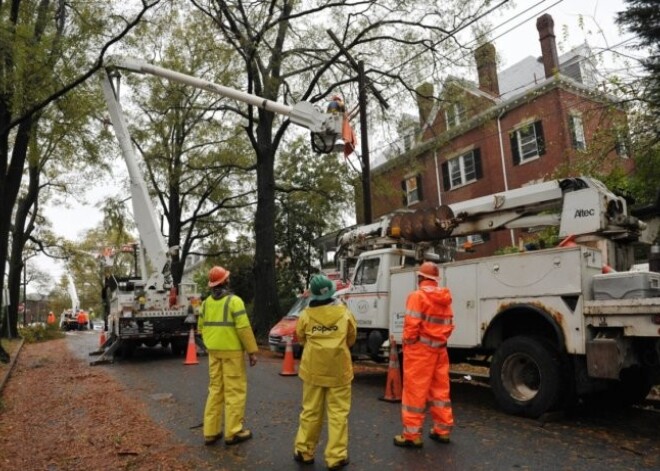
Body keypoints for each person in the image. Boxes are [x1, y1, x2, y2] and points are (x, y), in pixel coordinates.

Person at [293, 274, 357, 471]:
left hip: (313, 369)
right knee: (338, 414)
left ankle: (304, 451)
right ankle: (336, 457)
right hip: (339, 369)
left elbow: (300, 337)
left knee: (310, 411)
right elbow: (351, 338)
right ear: (331, 291)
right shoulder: (344, 313)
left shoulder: (305, 315)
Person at [394, 261, 455, 448]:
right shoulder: (445, 298)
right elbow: (449, 324)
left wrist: (409, 343)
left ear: (420, 277)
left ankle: (412, 436)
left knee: (415, 391)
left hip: (420, 351)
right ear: (435, 280)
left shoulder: (417, 296)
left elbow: (412, 325)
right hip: (439, 349)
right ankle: (442, 430)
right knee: (440, 391)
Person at [198, 265, 258, 446]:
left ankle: (210, 432)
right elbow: (243, 328)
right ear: (226, 281)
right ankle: (233, 432)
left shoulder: (206, 303)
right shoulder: (235, 301)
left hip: (214, 352)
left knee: (215, 390)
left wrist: (211, 344)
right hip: (232, 352)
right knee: (234, 392)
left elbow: (200, 329)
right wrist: (252, 351)